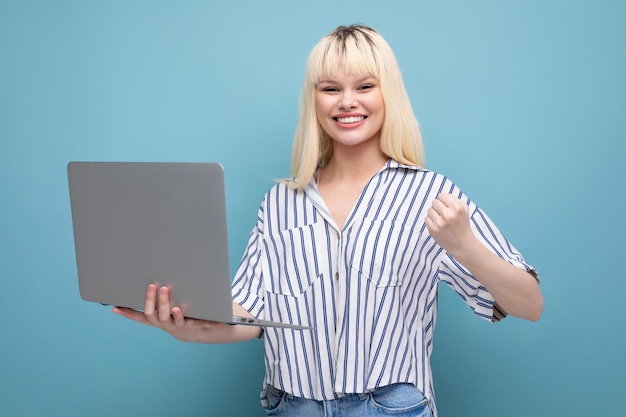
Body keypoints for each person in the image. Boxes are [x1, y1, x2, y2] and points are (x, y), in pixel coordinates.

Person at [114, 24, 543, 417]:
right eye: (330, 88)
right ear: (314, 99)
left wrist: (464, 243)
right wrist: (186, 327)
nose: (347, 102)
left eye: (365, 86)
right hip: (293, 406)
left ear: (387, 93)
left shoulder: (429, 195)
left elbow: (529, 304)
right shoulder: (279, 203)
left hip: (390, 408)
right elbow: (249, 319)